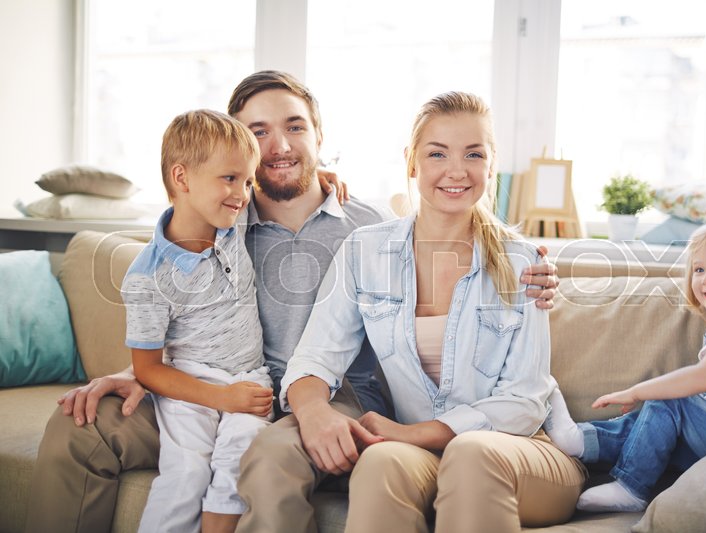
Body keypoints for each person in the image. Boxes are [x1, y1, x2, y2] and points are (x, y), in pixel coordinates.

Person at [25, 72, 560, 533]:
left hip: (330, 400)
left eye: (295, 127)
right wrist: (139, 371)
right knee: (80, 428)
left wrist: (533, 275)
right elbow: (177, 302)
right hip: (215, 388)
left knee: (270, 455)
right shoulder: (221, 220)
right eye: (259, 132)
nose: (279, 145)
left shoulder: (367, 229)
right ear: (239, 148)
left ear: (319, 137)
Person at [236, 91, 588, 533]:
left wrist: (411, 433)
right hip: (416, 451)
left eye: (474, 154)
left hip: (521, 451)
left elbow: (524, 402)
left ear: (491, 165)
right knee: (381, 461)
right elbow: (316, 356)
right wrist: (317, 412)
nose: (456, 171)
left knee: (469, 452)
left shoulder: (523, 264)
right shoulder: (365, 250)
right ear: (412, 162)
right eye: (437, 153)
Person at [545, 214, 706, 513]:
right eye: (699, 269)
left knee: (670, 398)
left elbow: (704, 377)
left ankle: (631, 486)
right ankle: (580, 440)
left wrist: (637, 392)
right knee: (655, 427)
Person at [122, 109, 275, 533]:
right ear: (182, 177)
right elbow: (147, 370)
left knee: (240, 459)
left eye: (248, 181)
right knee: (186, 473)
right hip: (189, 387)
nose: (243, 194)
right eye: (230, 178)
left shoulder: (232, 223)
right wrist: (221, 398)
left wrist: (324, 178)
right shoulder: (147, 277)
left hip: (249, 379)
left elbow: (288, 192)